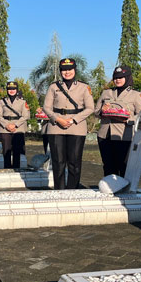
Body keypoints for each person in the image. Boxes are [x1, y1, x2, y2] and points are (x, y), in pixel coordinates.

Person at [43, 58, 95, 189]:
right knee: (58, 162)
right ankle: (59, 191)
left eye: (70, 69)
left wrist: (73, 120)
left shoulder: (84, 87)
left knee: (74, 162)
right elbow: (46, 107)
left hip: (77, 127)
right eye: (64, 70)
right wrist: (57, 119)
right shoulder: (53, 87)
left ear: (75, 70)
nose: (67, 72)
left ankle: (73, 190)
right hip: (56, 127)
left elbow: (90, 108)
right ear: (60, 71)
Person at [95, 66, 141, 177]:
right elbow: (96, 111)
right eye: (115, 77)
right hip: (105, 135)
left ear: (127, 78)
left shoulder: (136, 95)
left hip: (124, 135)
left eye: (121, 77)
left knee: (123, 166)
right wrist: (102, 110)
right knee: (108, 166)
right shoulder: (106, 93)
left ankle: (123, 188)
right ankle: (109, 186)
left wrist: (128, 119)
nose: (117, 80)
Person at [0, 81, 30, 168]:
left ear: (17, 90)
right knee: (6, 151)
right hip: (5, 128)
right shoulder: (2, 102)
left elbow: (26, 116)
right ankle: (7, 169)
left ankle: (16, 169)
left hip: (18, 128)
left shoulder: (22, 102)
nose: (11, 91)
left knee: (17, 151)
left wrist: (15, 125)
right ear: (7, 90)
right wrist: (7, 125)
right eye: (9, 89)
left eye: (13, 89)